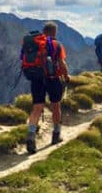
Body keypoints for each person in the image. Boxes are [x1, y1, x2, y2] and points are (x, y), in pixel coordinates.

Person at [22, 22, 70, 154]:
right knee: (56, 106)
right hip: (53, 79)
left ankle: (31, 136)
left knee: (37, 108)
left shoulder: (32, 43)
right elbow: (62, 63)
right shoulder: (56, 44)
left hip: (36, 78)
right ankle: (56, 135)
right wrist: (66, 77)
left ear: (44, 31)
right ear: (54, 32)